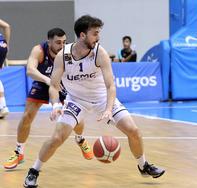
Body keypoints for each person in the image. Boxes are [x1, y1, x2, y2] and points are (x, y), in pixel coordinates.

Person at [23, 15, 165, 188]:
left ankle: (143, 165)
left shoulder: (100, 52)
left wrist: (108, 108)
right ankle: (34, 171)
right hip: (76, 100)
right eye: (95, 33)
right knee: (57, 138)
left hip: (101, 99)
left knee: (133, 130)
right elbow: (53, 85)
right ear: (82, 35)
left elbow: (111, 86)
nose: (98, 37)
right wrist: (55, 105)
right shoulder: (64, 55)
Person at [3, 28, 93, 170]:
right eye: (58, 42)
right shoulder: (39, 50)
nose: (62, 46)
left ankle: (80, 139)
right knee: (27, 116)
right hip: (43, 81)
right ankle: (19, 152)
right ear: (49, 41)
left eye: (64, 42)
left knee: (78, 120)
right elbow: (30, 70)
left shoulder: (69, 51)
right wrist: (48, 80)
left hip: (63, 84)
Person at [0, 19, 10, 118]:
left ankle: (2, 106)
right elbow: (6, 26)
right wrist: (7, 46)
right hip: (2, 44)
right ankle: (2, 106)